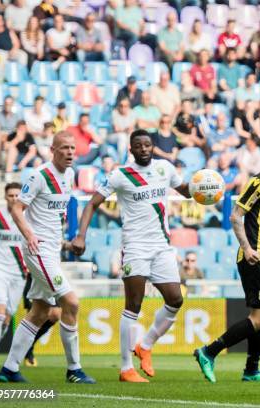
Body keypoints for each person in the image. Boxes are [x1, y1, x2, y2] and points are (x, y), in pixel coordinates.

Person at [72, 129, 193, 383]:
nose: (144, 149)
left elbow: (187, 191)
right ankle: (126, 368)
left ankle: (145, 345)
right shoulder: (120, 175)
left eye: (148, 145)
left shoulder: (165, 168)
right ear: (131, 149)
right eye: (139, 145)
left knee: (175, 299)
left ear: (152, 147)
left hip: (162, 247)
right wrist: (81, 235)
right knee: (134, 305)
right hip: (135, 247)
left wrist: (204, 185)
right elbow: (92, 203)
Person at [193, 136, 260, 384]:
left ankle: (251, 370)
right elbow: (236, 216)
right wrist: (247, 248)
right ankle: (209, 351)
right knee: (259, 318)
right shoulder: (258, 183)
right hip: (254, 259)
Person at [0, 131, 95, 384]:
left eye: (73, 148)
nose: (70, 152)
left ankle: (8, 369)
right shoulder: (38, 176)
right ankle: (74, 369)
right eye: (64, 148)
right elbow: (18, 209)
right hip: (37, 250)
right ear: (52, 150)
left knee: (40, 311)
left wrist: (66, 242)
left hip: (52, 250)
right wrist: (30, 235)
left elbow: (53, 216)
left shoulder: (70, 175)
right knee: (71, 303)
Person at [0, 184, 28, 368]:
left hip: (19, 273)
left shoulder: (27, 217)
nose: (13, 198)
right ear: (5, 197)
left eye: (17, 195)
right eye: (10, 195)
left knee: (6, 318)